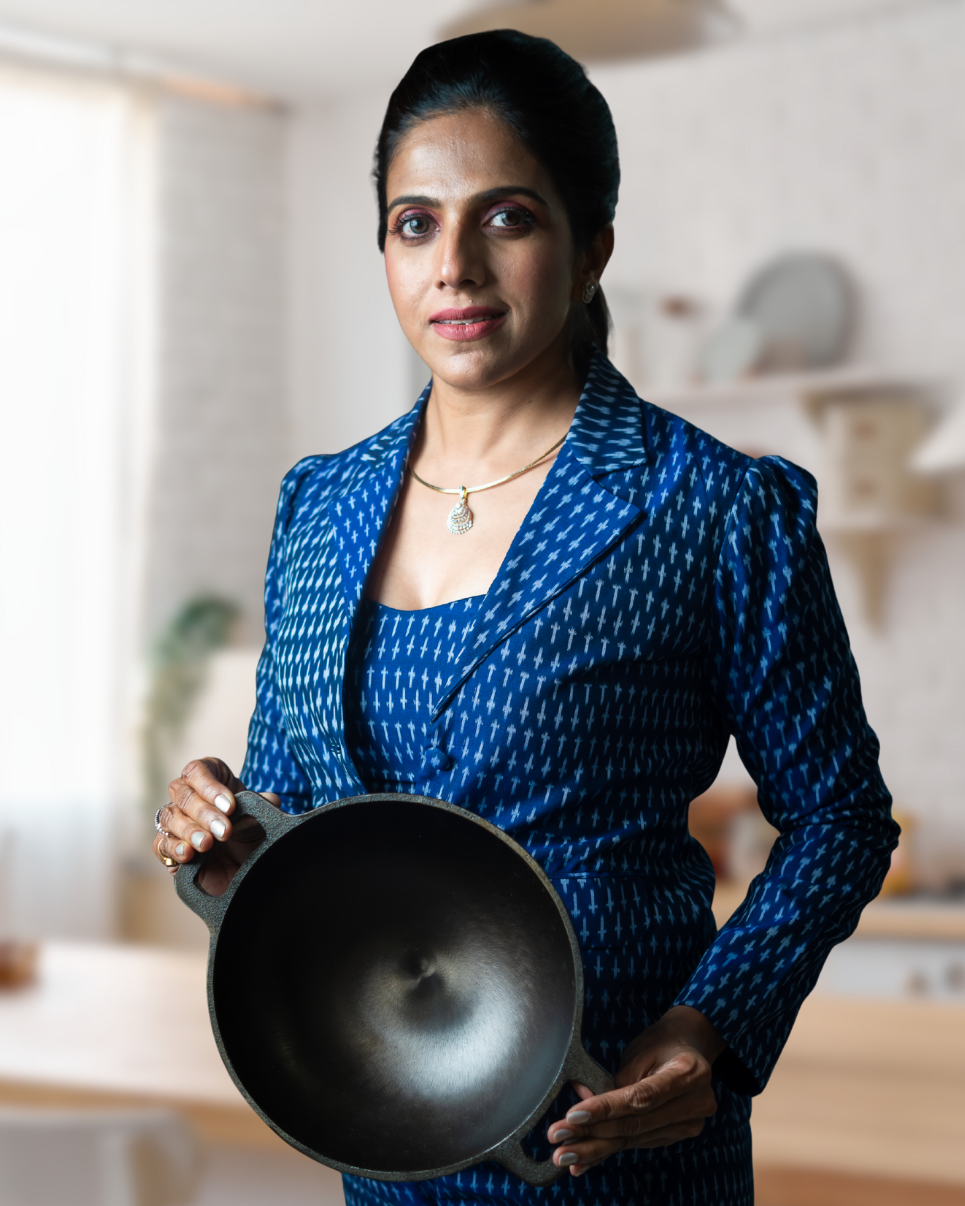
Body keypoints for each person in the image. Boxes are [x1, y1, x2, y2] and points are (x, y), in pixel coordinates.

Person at [153, 30, 898, 1206]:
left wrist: (713, 1027)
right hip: (380, 1142)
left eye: (505, 218)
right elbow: (287, 832)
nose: (453, 264)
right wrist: (220, 833)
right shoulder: (320, 505)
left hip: (612, 1150)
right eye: (414, 223)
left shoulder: (706, 507)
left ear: (590, 247)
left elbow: (839, 818)